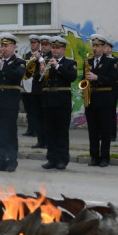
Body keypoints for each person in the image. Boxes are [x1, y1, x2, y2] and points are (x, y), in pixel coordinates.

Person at [0, 33, 26, 172]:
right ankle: (0, 159)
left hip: (9, 102)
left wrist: (2, 66)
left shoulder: (19, 62)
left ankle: (12, 160)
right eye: (2, 45)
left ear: (14, 47)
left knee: (9, 132)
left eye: (7, 45)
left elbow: (17, 75)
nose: (4, 48)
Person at [39, 36, 78, 170]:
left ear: (63, 49)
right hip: (48, 100)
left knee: (61, 132)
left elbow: (72, 77)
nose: (55, 50)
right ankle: (52, 159)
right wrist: (41, 72)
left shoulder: (69, 63)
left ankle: (62, 159)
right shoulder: (47, 62)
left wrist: (58, 67)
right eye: (53, 48)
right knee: (50, 131)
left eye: (57, 48)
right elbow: (39, 82)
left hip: (62, 102)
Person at [83, 34, 118, 167]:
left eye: (98, 46)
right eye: (93, 45)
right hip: (91, 100)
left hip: (105, 100)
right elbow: (84, 79)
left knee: (105, 131)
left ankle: (104, 158)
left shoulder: (111, 62)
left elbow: (113, 79)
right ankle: (94, 157)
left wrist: (97, 77)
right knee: (92, 131)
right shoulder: (89, 61)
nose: (95, 48)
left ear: (104, 47)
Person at [21, 35, 41, 137]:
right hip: (26, 86)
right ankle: (30, 129)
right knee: (28, 110)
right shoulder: (26, 56)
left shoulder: (41, 56)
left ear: (39, 44)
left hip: (36, 86)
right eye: (31, 43)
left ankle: (37, 130)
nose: (32, 45)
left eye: (35, 43)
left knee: (36, 110)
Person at [103, 38, 118, 141]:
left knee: (111, 112)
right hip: (102, 89)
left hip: (113, 89)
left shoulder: (116, 61)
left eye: (105, 47)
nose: (104, 49)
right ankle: (103, 133)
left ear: (110, 48)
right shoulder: (101, 60)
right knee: (103, 112)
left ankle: (112, 134)